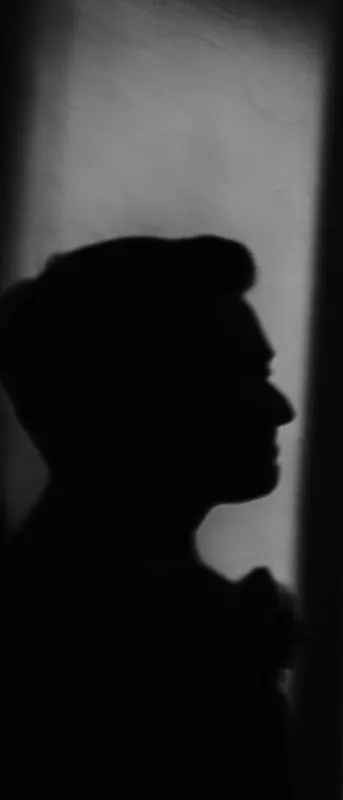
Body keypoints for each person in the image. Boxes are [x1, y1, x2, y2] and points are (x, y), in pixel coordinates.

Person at [0, 236, 300, 798]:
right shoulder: (98, 641)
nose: (281, 407)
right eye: (243, 374)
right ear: (140, 396)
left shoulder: (72, 599)